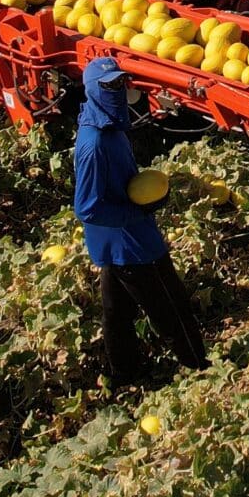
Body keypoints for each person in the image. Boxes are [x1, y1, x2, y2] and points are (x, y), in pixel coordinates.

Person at [74, 55, 208, 382]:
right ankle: (199, 368)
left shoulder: (108, 124)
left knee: (116, 313)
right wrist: (141, 210)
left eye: (121, 82)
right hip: (132, 242)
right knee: (171, 307)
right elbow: (87, 207)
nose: (118, 90)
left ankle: (125, 375)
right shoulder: (94, 144)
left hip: (114, 244)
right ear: (93, 90)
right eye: (109, 86)